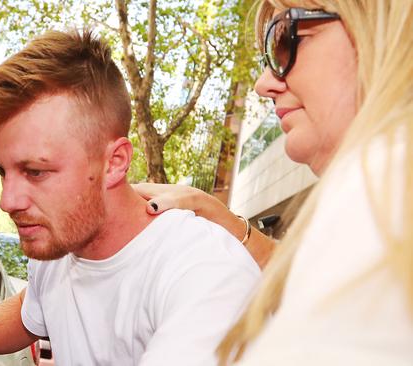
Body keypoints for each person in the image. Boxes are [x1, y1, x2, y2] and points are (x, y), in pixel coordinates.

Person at [0, 30, 260, 366]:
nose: (8, 201)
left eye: (35, 172)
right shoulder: (59, 243)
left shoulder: (204, 270)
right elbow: (30, 310)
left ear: (114, 163)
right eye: (2, 171)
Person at [137, 1, 413, 364]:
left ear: (375, 27)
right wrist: (221, 218)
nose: (262, 84)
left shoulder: (380, 183)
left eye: (283, 39)